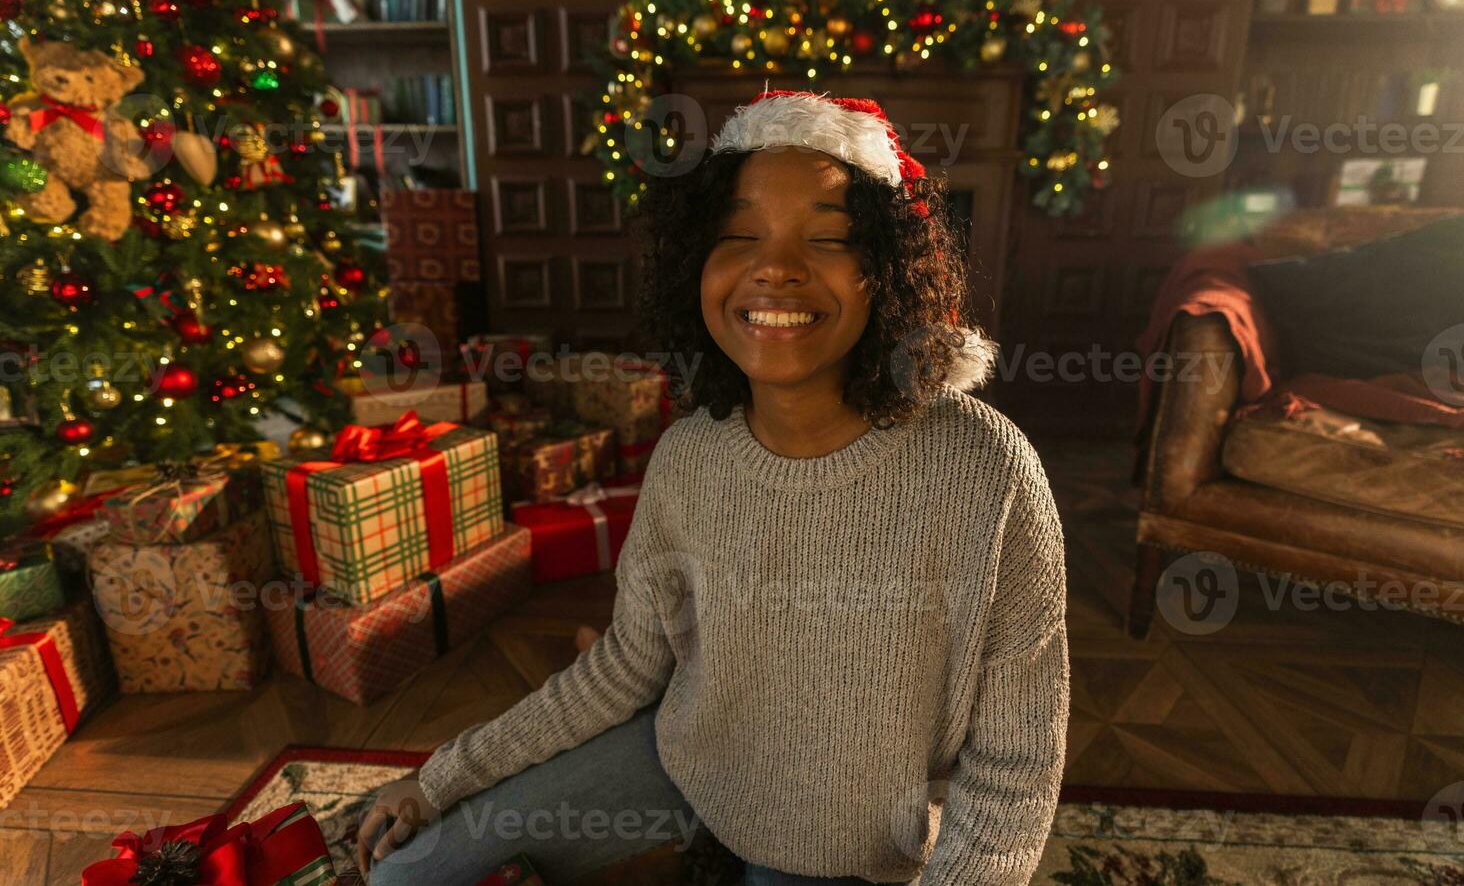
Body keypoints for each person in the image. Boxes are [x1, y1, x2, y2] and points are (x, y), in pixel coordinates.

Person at [358, 89, 1070, 885]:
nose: (776, 267)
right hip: (688, 765)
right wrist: (440, 778)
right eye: (739, 236)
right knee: (403, 875)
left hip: (851, 848)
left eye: (830, 239)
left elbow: (1016, 762)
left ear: (888, 274)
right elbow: (626, 663)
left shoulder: (986, 471)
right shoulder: (690, 457)